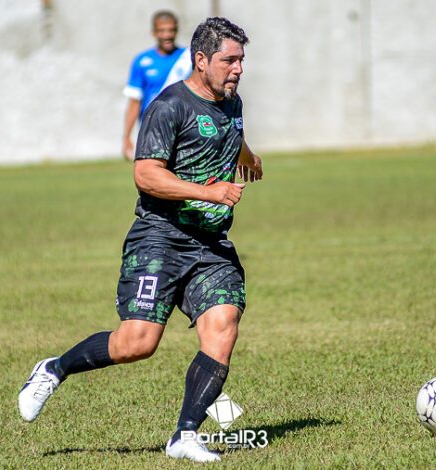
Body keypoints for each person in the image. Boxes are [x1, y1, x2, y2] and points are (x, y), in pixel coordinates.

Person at [18, 17, 263, 463]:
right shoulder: (168, 107)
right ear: (201, 59)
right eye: (229, 60)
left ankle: (185, 435)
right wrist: (209, 192)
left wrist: (249, 156)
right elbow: (146, 175)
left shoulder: (232, 102)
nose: (238, 69)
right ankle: (54, 368)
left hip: (210, 245)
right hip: (159, 239)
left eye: (241, 60)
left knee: (223, 325)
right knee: (138, 343)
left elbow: (232, 133)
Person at [122, 10, 191, 160]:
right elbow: (134, 102)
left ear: (177, 30)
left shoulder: (189, 58)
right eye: (162, 30)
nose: (167, 35)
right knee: (151, 172)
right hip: (152, 129)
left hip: (184, 128)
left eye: (171, 30)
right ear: (153, 32)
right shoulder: (141, 61)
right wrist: (126, 137)